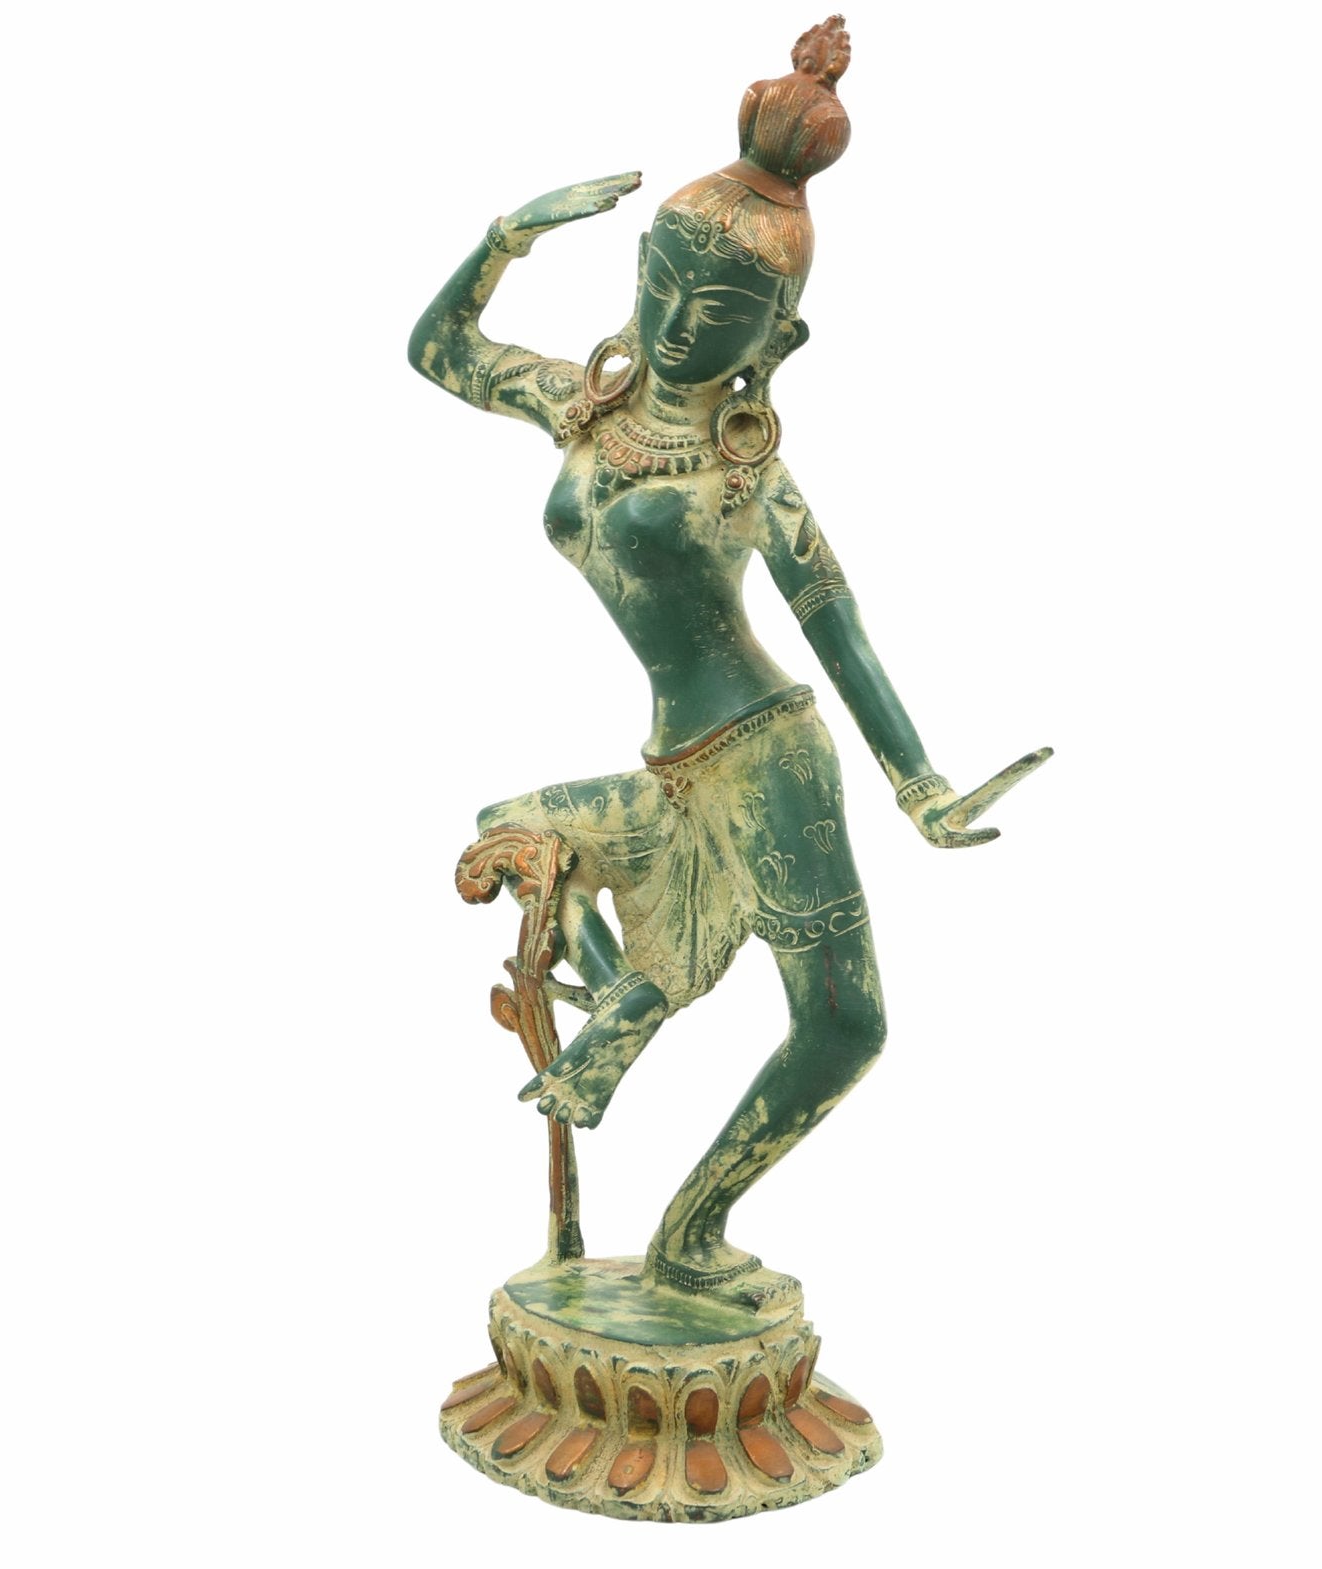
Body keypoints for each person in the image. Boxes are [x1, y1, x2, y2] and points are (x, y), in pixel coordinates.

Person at [409, 18, 1047, 1293]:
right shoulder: (577, 405)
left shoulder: (749, 478)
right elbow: (439, 354)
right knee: (513, 836)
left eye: (717, 309)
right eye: (661, 281)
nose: (673, 319)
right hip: (676, 761)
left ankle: (692, 1219)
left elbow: (837, 628)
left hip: (769, 757)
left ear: (775, 338)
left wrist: (918, 785)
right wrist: (504, 238)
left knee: (843, 1023)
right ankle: (631, 994)